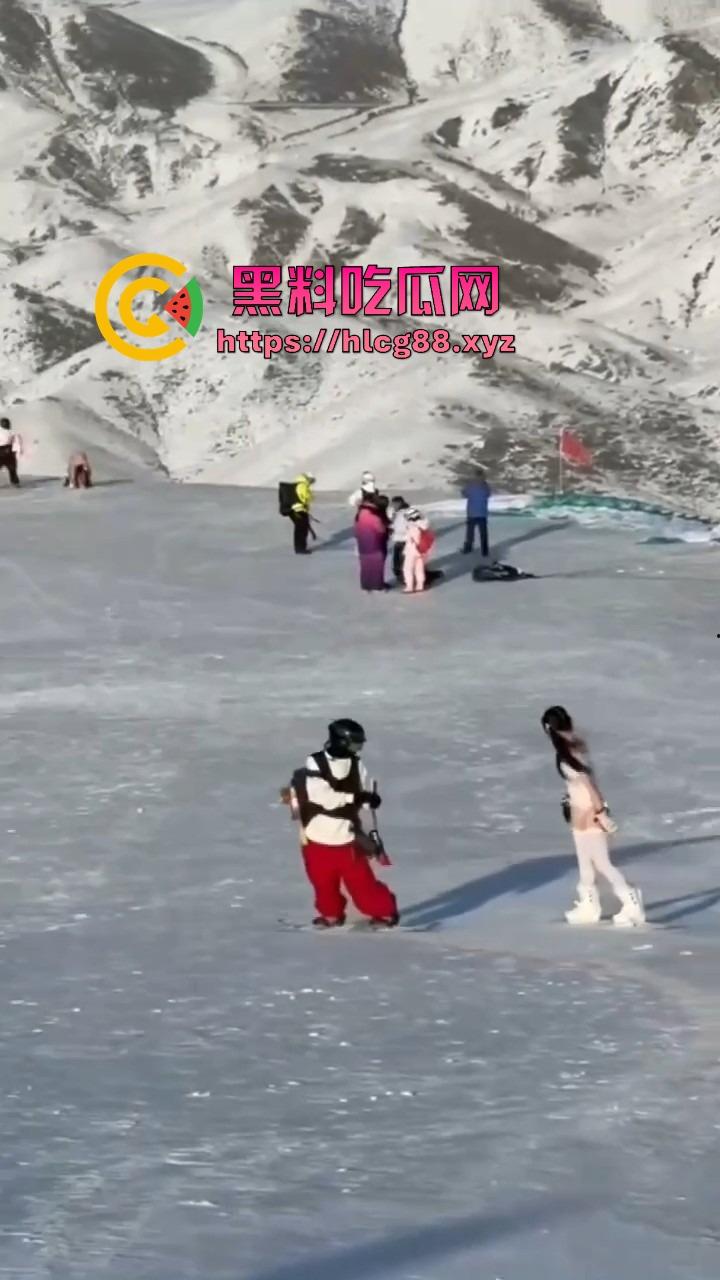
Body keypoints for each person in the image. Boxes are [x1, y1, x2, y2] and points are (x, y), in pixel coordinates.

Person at [287, 719, 399, 928]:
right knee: (323, 884)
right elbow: (321, 796)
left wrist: (369, 801)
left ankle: (384, 911)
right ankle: (331, 914)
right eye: (355, 744)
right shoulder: (316, 762)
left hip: (347, 839)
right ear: (341, 741)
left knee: (362, 883)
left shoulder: (356, 765)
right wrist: (354, 798)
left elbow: (362, 795)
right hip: (316, 838)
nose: (358, 749)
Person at [541, 706, 644, 926]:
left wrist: (601, 813)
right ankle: (589, 906)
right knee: (585, 866)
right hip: (578, 815)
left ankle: (632, 902)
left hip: (589, 814)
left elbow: (589, 785)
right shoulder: (574, 747)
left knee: (602, 863)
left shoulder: (571, 753)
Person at [354, 491, 390, 591]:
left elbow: (356, 528)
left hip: (363, 543)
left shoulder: (360, 513)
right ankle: (377, 584)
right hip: (375, 543)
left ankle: (366, 584)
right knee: (377, 565)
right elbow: (381, 529)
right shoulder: (374, 516)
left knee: (365, 565)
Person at [462, 467, 491, 556]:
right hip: (482, 512)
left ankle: (468, 548)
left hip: (472, 512)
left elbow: (464, 494)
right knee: (483, 533)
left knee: (470, 532)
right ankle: (485, 550)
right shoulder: (485, 485)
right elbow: (488, 494)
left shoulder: (470, 485)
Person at [403, 507, 431, 594]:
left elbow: (407, 538)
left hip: (412, 550)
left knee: (408, 568)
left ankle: (409, 586)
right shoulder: (424, 525)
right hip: (422, 550)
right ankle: (420, 585)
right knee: (419, 568)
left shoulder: (412, 526)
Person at [290, 473, 315, 555]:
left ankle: (299, 547)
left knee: (299, 529)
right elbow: (305, 497)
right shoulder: (303, 485)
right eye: (312, 481)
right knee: (302, 530)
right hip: (300, 510)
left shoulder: (298, 484)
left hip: (296, 510)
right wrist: (310, 496)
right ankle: (301, 548)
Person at [390, 496, 410, 582]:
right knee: (397, 561)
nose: (393, 506)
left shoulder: (406, 513)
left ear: (400, 503)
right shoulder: (396, 513)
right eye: (392, 504)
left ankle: (405, 578)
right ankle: (401, 577)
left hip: (405, 540)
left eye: (395, 504)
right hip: (398, 540)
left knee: (403, 561)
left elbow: (404, 527)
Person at [0, 417, 20, 487]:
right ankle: (15, 482)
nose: (5, 424)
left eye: (6, 423)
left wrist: (16, 452)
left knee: (12, 468)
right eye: (3, 423)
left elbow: (16, 442)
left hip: (9, 451)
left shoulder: (12, 432)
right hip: (1, 450)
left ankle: (15, 482)